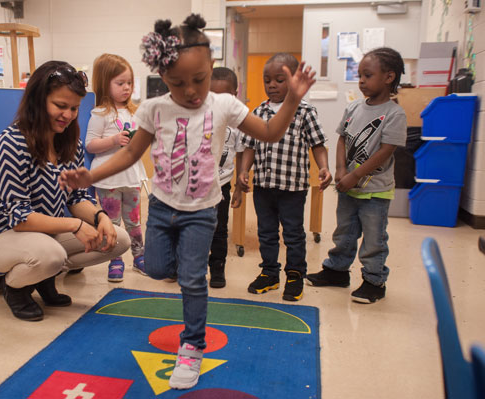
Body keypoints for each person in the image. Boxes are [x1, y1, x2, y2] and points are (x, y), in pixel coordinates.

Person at [59, 14, 316, 390]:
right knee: (160, 267)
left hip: (201, 211)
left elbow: (271, 132)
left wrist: (292, 98)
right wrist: (91, 176)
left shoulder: (225, 105)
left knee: (193, 280)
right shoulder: (153, 109)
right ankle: (182, 266)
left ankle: (192, 345)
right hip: (162, 208)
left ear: (211, 69)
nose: (192, 91)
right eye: (179, 83)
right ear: (164, 78)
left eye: (200, 80)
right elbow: (130, 154)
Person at [0, 60, 131, 322]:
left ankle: (44, 277)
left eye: (74, 108)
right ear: (38, 100)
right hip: (2, 236)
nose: (68, 115)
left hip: (47, 234)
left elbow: (77, 197)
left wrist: (100, 217)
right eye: (60, 106)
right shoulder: (11, 143)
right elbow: (21, 218)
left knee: (118, 238)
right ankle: (14, 286)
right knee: (52, 254)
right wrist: (75, 226)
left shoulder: (70, 144)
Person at [306, 47, 407, 303]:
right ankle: (337, 271)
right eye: (359, 75)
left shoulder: (395, 114)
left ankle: (374, 281)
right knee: (345, 232)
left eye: (368, 75)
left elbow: (385, 151)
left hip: (375, 190)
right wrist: (341, 169)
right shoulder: (353, 108)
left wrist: (355, 175)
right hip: (348, 187)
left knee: (374, 239)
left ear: (388, 77)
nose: (361, 80)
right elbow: (341, 138)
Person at [239, 53, 331, 302]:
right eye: (267, 80)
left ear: (294, 80)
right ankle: (269, 273)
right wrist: (243, 171)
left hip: (293, 187)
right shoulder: (258, 111)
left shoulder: (305, 112)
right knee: (266, 232)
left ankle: (295, 275)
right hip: (264, 186)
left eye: (279, 79)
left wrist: (324, 167)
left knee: (293, 233)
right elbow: (249, 146)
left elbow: (318, 144)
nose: (272, 85)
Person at [85, 54, 146, 282]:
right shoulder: (100, 114)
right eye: (120, 83)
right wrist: (113, 141)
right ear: (105, 83)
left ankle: (140, 257)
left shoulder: (134, 111)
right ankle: (115, 261)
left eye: (129, 83)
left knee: (134, 222)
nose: (126, 88)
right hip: (108, 179)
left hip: (131, 177)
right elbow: (90, 144)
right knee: (112, 224)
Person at [207, 66, 244, 288]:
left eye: (225, 96)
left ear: (235, 94)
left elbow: (241, 155)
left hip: (221, 186)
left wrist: (239, 185)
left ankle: (217, 267)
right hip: (198, 186)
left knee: (219, 229)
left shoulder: (240, 122)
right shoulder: (202, 116)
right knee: (194, 227)